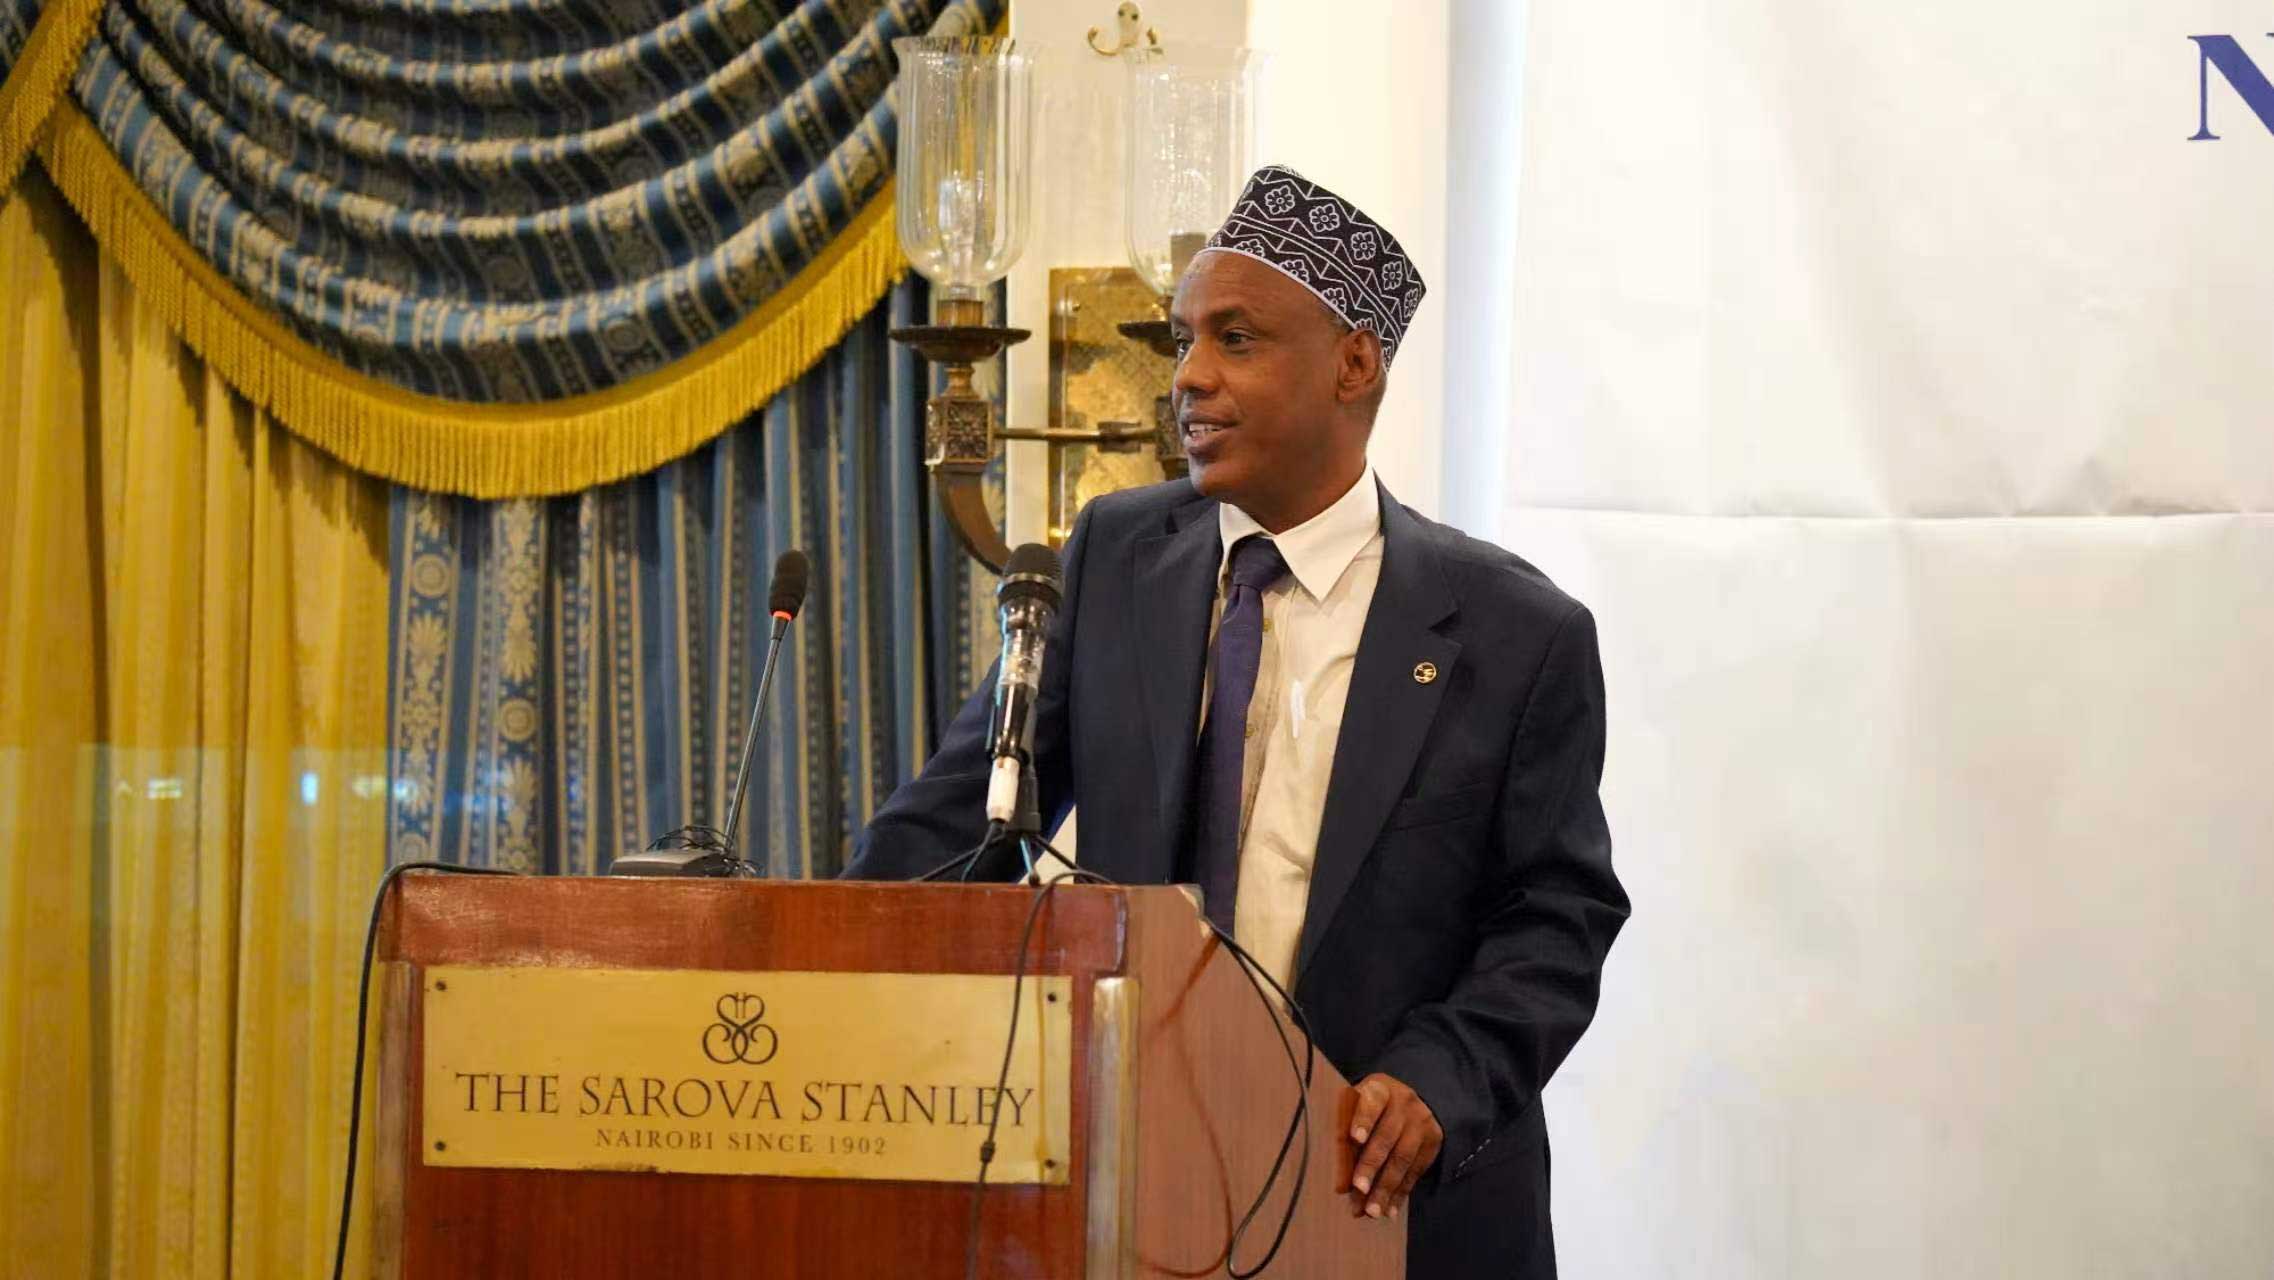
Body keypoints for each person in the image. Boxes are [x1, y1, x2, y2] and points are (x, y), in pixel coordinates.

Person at [846, 165, 1629, 1278]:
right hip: (1138, 1184)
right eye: (1181, 341)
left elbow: (1556, 915)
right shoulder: (1117, 557)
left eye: (1236, 338)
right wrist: (818, 960)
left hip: (1388, 1199)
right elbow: (964, 817)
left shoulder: (1514, 630)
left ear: (1354, 362)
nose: (1189, 378)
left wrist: (1439, 1079)